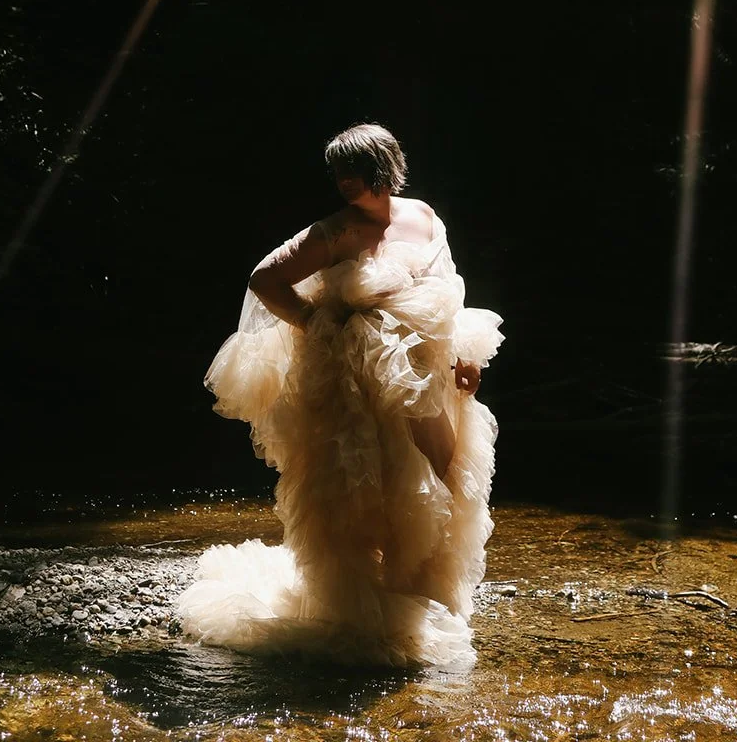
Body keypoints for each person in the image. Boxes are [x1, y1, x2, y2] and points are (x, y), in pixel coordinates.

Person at [177, 123, 503, 668]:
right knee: (360, 483)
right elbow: (264, 280)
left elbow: (449, 289)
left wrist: (466, 357)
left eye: (354, 169)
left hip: (423, 369)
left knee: (442, 472)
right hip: (352, 380)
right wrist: (319, 324)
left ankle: (425, 589)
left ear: (384, 166)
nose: (344, 181)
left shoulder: (422, 217)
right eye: (337, 173)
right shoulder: (333, 231)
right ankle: (360, 605)